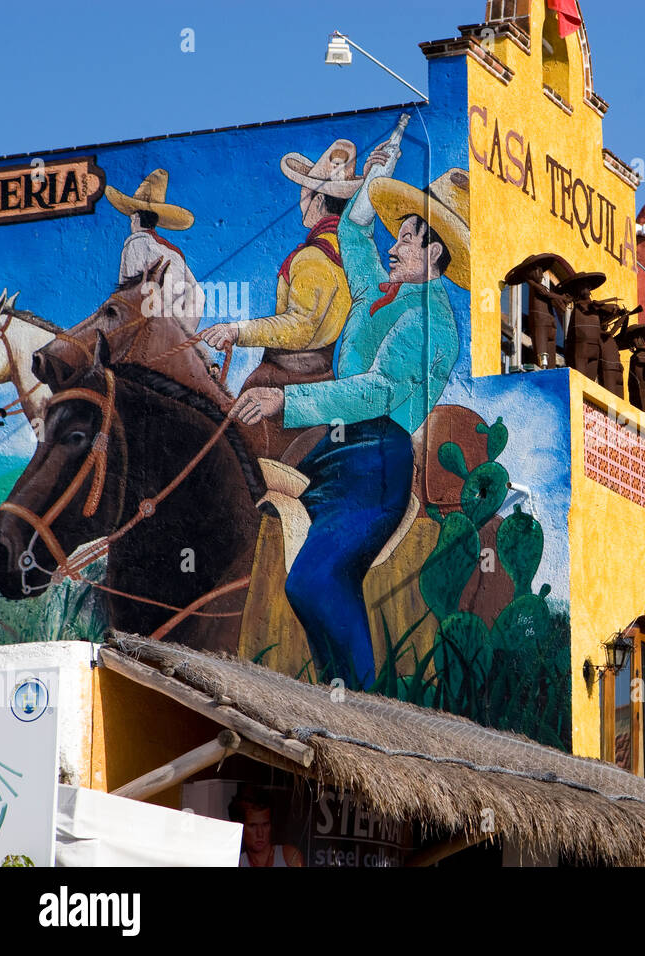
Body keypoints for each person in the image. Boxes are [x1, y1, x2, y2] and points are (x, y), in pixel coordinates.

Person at [230, 140, 466, 690]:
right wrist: (376, 177)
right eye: (400, 233)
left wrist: (286, 401)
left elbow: (377, 393)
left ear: (434, 254)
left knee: (315, 581)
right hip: (332, 448)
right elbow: (355, 235)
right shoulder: (377, 292)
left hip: (377, 462)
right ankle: (327, 687)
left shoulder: (434, 324)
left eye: (408, 236)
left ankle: (359, 697)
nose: (395, 243)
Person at [202, 140, 360, 368]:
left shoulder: (313, 257)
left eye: (304, 195)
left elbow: (301, 326)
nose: (300, 203)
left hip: (292, 371)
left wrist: (237, 330)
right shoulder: (347, 252)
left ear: (318, 201)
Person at [104, 169, 204, 340]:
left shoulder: (135, 242)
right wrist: (185, 331)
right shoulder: (175, 253)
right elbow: (199, 295)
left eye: (132, 220)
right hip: (175, 331)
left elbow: (129, 288)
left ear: (135, 219)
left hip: (146, 328)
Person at [228, 791, 304, 868]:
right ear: (241, 828)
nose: (260, 834)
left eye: (265, 824)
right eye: (253, 825)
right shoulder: (236, 863)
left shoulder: (289, 856)